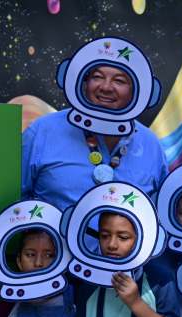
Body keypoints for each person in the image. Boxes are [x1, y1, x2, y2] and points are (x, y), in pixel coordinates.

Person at [22, 64, 168, 211]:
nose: (106, 87)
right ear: (85, 82)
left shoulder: (151, 144)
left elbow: (161, 214)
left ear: (135, 90)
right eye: (97, 77)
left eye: (119, 81)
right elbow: (12, 203)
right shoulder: (42, 131)